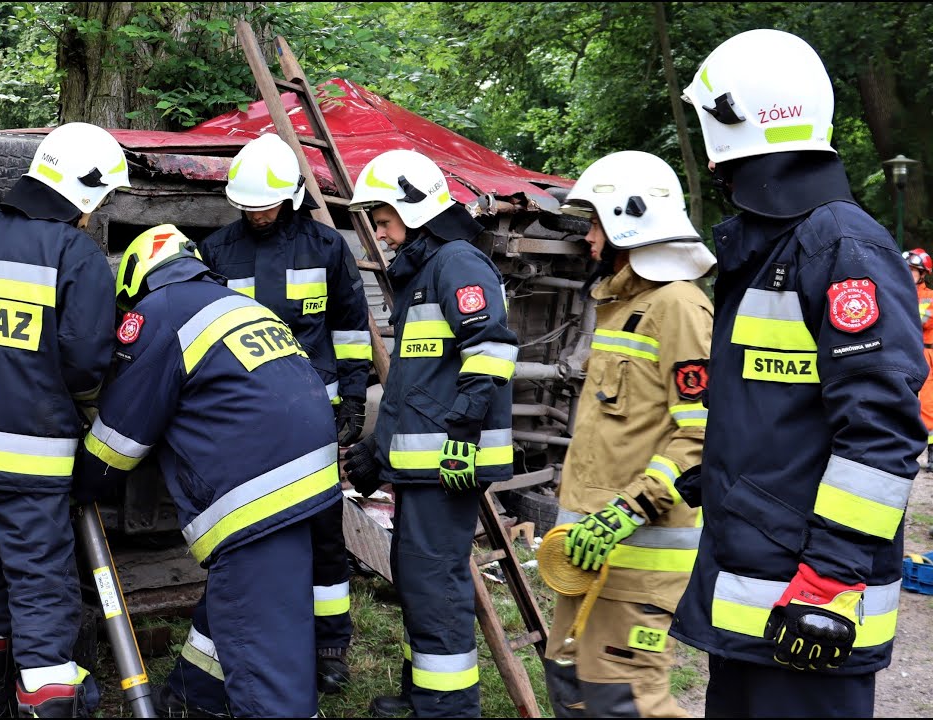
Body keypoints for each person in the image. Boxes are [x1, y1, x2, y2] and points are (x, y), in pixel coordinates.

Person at [670, 28, 926, 718]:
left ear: (737, 119)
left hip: (810, 602)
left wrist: (828, 581)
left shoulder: (840, 247)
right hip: (759, 588)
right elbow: (777, 412)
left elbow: (881, 438)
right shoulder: (774, 246)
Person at [79, 224, 340, 718]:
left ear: (136, 280)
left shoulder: (158, 312)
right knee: (236, 605)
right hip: (312, 480)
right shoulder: (240, 305)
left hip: (259, 497)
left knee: (261, 644)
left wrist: (81, 482)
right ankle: (192, 696)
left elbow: (121, 439)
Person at [0, 122, 129, 717]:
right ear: (86, 192)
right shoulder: (74, 253)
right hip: (27, 460)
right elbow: (87, 362)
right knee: (41, 590)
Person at [340, 149, 518, 718]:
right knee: (419, 582)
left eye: (385, 219)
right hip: (427, 465)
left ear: (413, 209)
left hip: (450, 464)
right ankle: (427, 697)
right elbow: (414, 388)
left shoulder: (458, 264)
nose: (383, 235)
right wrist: (375, 453)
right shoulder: (425, 274)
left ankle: (447, 709)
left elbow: (489, 351)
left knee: (434, 584)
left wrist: (465, 433)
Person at [194, 132, 373, 696]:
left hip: (311, 413)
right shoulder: (218, 250)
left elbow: (349, 326)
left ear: (292, 196)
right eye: (248, 208)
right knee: (247, 531)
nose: (258, 215)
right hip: (241, 419)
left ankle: (329, 646)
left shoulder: (325, 247)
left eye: (266, 205)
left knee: (323, 533)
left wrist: (353, 396)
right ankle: (246, 641)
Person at [542, 151, 716, 717]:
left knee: (627, 698)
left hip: (640, 556)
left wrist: (627, 511)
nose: (589, 238)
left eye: (595, 222)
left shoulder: (680, 307)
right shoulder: (624, 307)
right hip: (592, 556)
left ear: (629, 220)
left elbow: (699, 436)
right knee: (574, 686)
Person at [902, 248, 933, 471]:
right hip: (904, 352)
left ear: (922, 274)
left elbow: (919, 320)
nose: (907, 273)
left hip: (926, 354)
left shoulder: (929, 297)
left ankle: (932, 455)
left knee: (929, 406)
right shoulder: (899, 292)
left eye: (912, 270)